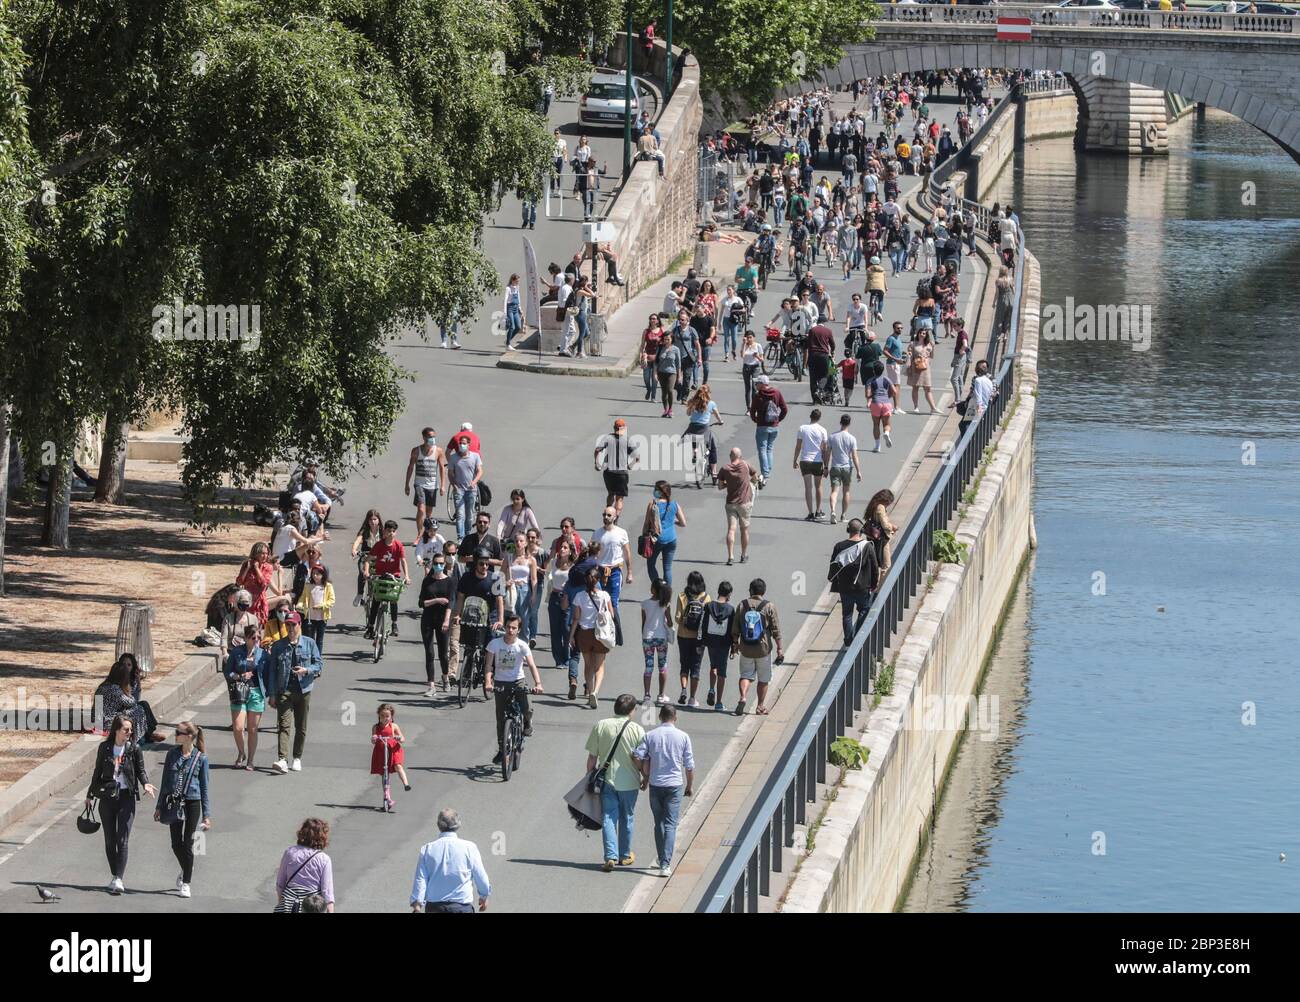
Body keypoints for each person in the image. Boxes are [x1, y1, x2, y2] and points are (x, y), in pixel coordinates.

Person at [84, 714, 156, 895]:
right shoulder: (105, 748)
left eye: (131, 730)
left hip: (126, 798)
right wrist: (90, 795)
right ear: (117, 730)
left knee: (122, 839)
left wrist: (145, 783)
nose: (129, 733)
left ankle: (119, 879)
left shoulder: (134, 749)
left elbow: (140, 770)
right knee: (110, 840)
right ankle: (115, 874)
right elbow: (97, 771)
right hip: (107, 798)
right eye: (126, 729)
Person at [584, 694, 647, 872]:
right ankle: (624, 855)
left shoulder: (601, 725)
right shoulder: (637, 730)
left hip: (607, 780)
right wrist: (645, 777)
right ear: (632, 711)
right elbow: (641, 759)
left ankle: (610, 855)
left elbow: (592, 757)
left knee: (608, 817)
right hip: (630, 782)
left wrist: (589, 777)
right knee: (627, 817)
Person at [634, 705, 695, 878]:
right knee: (670, 824)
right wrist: (689, 786)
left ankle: (662, 859)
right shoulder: (683, 736)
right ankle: (665, 863)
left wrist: (645, 775)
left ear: (660, 717)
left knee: (658, 823)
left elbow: (637, 756)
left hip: (655, 784)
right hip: (674, 785)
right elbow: (689, 765)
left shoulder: (650, 735)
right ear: (675, 718)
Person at [154, 721, 211, 899]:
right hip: (174, 802)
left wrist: (207, 815)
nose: (175, 735)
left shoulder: (201, 758)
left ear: (189, 737)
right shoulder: (172, 754)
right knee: (175, 843)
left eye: (178, 732)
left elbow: (205, 788)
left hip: (193, 802)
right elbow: (165, 782)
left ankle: (186, 883)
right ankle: (187, 865)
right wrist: (159, 805)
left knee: (188, 843)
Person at [267, 612, 323, 775]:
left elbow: (319, 664)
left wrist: (306, 670)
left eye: (293, 625)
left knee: (301, 726)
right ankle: (282, 759)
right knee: (283, 725)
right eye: (288, 625)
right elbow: (272, 671)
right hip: (284, 690)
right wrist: (271, 694)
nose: (290, 628)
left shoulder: (310, 643)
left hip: (304, 690)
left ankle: (297, 757)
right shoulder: (278, 646)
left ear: (299, 625)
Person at [485, 613, 544, 765]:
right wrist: (488, 683)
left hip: (518, 681)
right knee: (500, 718)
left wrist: (538, 684)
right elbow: (488, 666)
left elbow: (531, 665)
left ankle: (527, 724)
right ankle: (502, 749)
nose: (510, 630)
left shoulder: (522, 646)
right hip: (500, 682)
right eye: (508, 627)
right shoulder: (495, 644)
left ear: (519, 630)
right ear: (504, 627)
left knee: (527, 708)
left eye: (514, 628)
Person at [410, 808, 492, 912]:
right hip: (461, 908)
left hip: (435, 908)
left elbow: (421, 879)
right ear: (458, 824)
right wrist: (484, 896)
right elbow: (480, 875)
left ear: (438, 825)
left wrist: (417, 905)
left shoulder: (427, 849)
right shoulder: (469, 847)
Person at [731, 578, 784, 716]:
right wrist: (779, 649)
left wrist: (735, 644)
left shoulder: (742, 605)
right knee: (763, 679)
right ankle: (760, 706)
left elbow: (735, 628)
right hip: (763, 649)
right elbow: (776, 630)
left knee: (745, 675)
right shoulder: (769, 606)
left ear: (751, 590)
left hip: (746, 648)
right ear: (763, 591)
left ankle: (743, 697)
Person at [568, 567, 615, 709]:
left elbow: (576, 618)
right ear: (597, 581)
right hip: (600, 633)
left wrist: (571, 636)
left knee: (588, 665)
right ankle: (595, 691)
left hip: (584, 633)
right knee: (599, 666)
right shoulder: (604, 595)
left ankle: (589, 692)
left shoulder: (579, 596)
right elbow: (611, 615)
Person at [828, 519, 880, 646]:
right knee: (864, 610)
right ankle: (857, 637)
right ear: (861, 530)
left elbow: (833, 566)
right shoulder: (868, 546)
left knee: (847, 614)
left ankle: (848, 641)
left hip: (845, 588)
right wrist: (874, 584)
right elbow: (874, 567)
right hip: (863, 587)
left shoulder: (839, 546)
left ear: (848, 530)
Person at [225, 623, 270, 770]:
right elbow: (227, 672)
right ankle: (241, 753)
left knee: (252, 729)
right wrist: (239, 676)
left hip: (256, 692)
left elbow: (269, 674)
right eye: (253, 637)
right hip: (240, 691)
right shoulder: (237, 652)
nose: (256, 640)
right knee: (238, 727)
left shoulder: (263, 654)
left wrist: (271, 693)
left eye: (258, 637)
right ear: (246, 638)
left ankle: (250, 760)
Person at [275, 818, 335, 912]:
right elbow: (327, 892)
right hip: (311, 907)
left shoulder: (290, 852)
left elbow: (280, 883)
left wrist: (282, 903)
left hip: (288, 904)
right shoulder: (324, 859)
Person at [593, 504, 633, 644]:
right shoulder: (597, 533)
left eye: (609, 515)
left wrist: (629, 573)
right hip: (600, 571)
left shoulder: (621, 533)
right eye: (604, 515)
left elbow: (627, 553)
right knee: (599, 601)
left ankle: (617, 635)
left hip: (615, 571)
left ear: (615, 517)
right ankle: (601, 631)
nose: (606, 517)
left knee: (613, 603)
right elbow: (593, 553)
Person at [419, 550, 456, 695]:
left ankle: (445, 678)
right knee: (429, 652)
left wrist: (447, 620)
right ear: (433, 565)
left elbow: (450, 603)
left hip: (442, 620)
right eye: (436, 564)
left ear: (444, 564)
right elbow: (421, 603)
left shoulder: (449, 581)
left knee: (443, 653)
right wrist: (436, 600)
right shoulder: (427, 581)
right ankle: (431, 685)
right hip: (427, 619)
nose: (439, 566)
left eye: (441, 563)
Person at [365, 519, 410, 639]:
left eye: (393, 531)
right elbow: (368, 559)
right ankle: (370, 627)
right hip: (380, 575)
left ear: (396, 532)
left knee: (394, 599)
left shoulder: (398, 545)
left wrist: (407, 576)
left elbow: (403, 560)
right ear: (384, 531)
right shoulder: (379, 545)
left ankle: (394, 624)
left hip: (393, 576)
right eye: (389, 530)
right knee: (376, 600)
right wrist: (366, 572)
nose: (391, 533)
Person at [675, 570, 710, 708]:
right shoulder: (706, 598)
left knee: (684, 665)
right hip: (699, 638)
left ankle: (683, 689)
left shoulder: (682, 596)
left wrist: (685, 622)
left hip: (683, 636)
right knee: (696, 667)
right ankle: (692, 698)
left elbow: (678, 618)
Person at [716, 447, 756, 566]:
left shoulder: (724, 469)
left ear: (731, 456)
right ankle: (743, 555)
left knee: (731, 529)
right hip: (744, 503)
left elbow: (720, 486)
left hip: (731, 503)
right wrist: (751, 482)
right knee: (744, 530)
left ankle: (730, 556)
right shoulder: (745, 465)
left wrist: (728, 483)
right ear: (740, 456)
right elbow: (755, 477)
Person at [593, 419, 640, 519]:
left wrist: (596, 463)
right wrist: (631, 465)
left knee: (610, 494)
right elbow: (637, 457)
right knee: (619, 498)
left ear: (614, 427)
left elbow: (597, 450)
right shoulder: (628, 439)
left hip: (609, 472)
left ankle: (608, 514)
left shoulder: (607, 438)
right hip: (622, 473)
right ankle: (615, 519)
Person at [643, 480, 686, 586]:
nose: (654, 491)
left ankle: (658, 588)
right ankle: (667, 594)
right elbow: (683, 523)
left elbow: (646, 523)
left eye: (655, 489)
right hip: (671, 540)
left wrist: (644, 538)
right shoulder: (674, 504)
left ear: (660, 492)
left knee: (651, 565)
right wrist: (672, 521)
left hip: (656, 540)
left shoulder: (653, 504)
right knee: (667, 568)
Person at [404, 428, 447, 534]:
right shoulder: (416, 451)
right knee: (421, 509)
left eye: (434, 436)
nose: (432, 439)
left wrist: (442, 486)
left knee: (428, 513)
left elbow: (442, 468)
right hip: (419, 484)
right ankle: (419, 533)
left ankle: (427, 533)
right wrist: (407, 484)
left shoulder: (438, 451)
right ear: (424, 437)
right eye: (430, 437)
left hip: (432, 485)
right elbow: (410, 467)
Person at [748, 374, 788, 486]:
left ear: (762, 384)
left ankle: (765, 474)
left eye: (757, 383)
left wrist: (755, 420)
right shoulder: (777, 393)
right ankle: (767, 471)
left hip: (762, 426)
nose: (756, 385)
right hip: (774, 427)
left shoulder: (758, 395)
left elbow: (752, 411)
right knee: (769, 449)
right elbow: (784, 409)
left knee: (762, 449)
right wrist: (778, 420)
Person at [702, 581, 736, 711]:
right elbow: (733, 629)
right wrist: (733, 647)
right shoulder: (730, 609)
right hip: (724, 643)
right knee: (722, 672)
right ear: (729, 594)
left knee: (713, 665)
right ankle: (719, 702)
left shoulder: (709, 606)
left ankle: (711, 689)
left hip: (711, 640)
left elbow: (704, 624)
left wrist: (703, 641)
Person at [793, 407, 831, 521]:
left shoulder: (802, 428)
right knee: (818, 486)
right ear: (819, 418)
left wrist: (794, 459)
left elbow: (798, 446)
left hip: (805, 460)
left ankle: (810, 513)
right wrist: (825, 466)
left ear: (810, 417)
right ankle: (818, 511)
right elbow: (824, 449)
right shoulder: (822, 430)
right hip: (817, 461)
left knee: (808, 488)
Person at [370, 703, 410, 813]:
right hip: (381, 751)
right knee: (384, 773)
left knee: (397, 766)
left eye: (387, 716)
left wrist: (398, 738)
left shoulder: (394, 726)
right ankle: (387, 797)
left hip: (394, 749)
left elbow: (402, 738)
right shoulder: (376, 727)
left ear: (391, 716)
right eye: (382, 716)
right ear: (379, 716)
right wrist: (374, 738)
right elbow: (373, 739)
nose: (385, 718)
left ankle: (406, 784)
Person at [640, 580, 674, 705]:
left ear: (653, 589)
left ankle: (647, 695)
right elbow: (670, 623)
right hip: (661, 637)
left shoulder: (645, 604)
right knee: (662, 666)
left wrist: (643, 635)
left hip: (647, 637)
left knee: (648, 666)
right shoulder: (665, 604)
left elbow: (643, 622)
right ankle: (661, 695)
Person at [547, 539, 577, 670]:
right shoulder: (554, 562)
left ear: (570, 551)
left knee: (566, 628)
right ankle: (558, 660)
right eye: (561, 547)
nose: (562, 549)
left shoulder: (573, 566)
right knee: (555, 630)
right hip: (554, 597)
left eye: (565, 547)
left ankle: (568, 658)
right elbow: (549, 575)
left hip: (567, 598)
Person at [827, 414, 863, 525]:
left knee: (834, 491)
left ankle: (833, 511)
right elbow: (855, 456)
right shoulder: (852, 438)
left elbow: (828, 453)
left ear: (840, 422)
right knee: (846, 491)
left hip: (835, 466)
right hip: (847, 467)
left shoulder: (832, 437)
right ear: (849, 423)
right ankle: (843, 515)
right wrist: (858, 471)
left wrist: (825, 466)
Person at [682, 385, 722, 484]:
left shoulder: (693, 402)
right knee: (713, 447)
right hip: (704, 428)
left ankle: (695, 453)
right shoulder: (711, 403)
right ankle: (714, 472)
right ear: (708, 393)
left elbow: (688, 413)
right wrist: (720, 421)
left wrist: (692, 407)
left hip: (693, 427)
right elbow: (717, 414)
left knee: (694, 438)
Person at [448, 434, 484, 541]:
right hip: (459, 490)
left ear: (468, 444)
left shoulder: (475, 456)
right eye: (460, 443)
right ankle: (460, 537)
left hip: (471, 490)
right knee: (460, 515)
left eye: (464, 443)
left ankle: (467, 535)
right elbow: (450, 473)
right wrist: (454, 484)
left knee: (469, 515)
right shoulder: (454, 458)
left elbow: (480, 471)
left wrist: (474, 481)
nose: (461, 445)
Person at [295, 563, 334, 654]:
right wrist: (299, 605)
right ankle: (310, 656)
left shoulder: (327, 586)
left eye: (318, 574)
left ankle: (318, 657)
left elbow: (331, 601)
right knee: (310, 639)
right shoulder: (308, 586)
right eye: (313, 574)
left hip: (321, 618)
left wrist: (321, 606)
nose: (315, 576)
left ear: (323, 575)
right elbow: (302, 598)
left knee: (319, 640)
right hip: (310, 618)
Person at [350, 509, 384, 607]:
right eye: (371, 520)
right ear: (367, 521)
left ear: (379, 520)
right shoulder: (365, 531)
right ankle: (360, 594)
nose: (373, 522)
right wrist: (354, 549)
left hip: (378, 557)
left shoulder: (382, 531)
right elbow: (357, 541)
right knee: (362, 572)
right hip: (366, 556)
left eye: (375, 519)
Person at [864, 489, 898, 584]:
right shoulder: (880, 507)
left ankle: (873, 586)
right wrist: (893, 527)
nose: (888, 505)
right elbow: (885, 524)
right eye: (888, 502)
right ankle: (879, 589)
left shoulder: (874, 505)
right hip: (881, 540)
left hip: (873, 538)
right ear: (885, 500)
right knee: (886, 565)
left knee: (874, 563)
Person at [907, 328, 938, 414]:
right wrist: (908, 367)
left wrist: (933, 347)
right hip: (915, 367)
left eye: (924, 333)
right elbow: (909, 356)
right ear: (918, 334)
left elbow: (932, 356)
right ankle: (916, 407)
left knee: (928, 388)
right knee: (915, 387)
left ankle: (933, 407)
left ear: (926, 335)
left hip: (926, 368)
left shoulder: (928, 344)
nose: (922, 335)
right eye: (920, 333)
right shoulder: (913, 344)